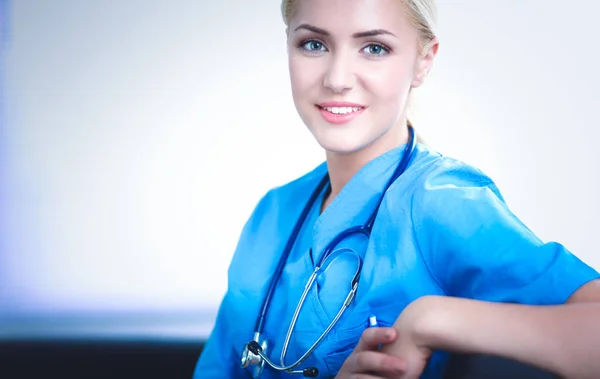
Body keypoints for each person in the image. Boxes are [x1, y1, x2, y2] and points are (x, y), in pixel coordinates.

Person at [193, 0, 600, 378]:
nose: (336, 79)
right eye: (313, 44)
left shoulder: (441, 200)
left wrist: (428, 320)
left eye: (373, 48)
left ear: (423, 62)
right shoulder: (273, 213)